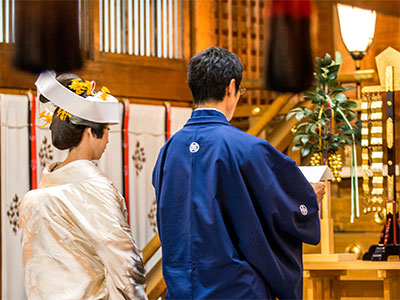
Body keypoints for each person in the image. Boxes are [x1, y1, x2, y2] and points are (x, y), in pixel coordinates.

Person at [152, 47, 325, 299]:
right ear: (231, 88)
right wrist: (307, 201)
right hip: (236, 290)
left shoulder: (168, 151)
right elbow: (280, 210)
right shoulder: (248, 148)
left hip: (181, 291)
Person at [19, 71, 147, 300]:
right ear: (90, 132)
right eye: (106, 130)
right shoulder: (95, 189)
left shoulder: (33, 198)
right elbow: (125, 264)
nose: (108, 139)